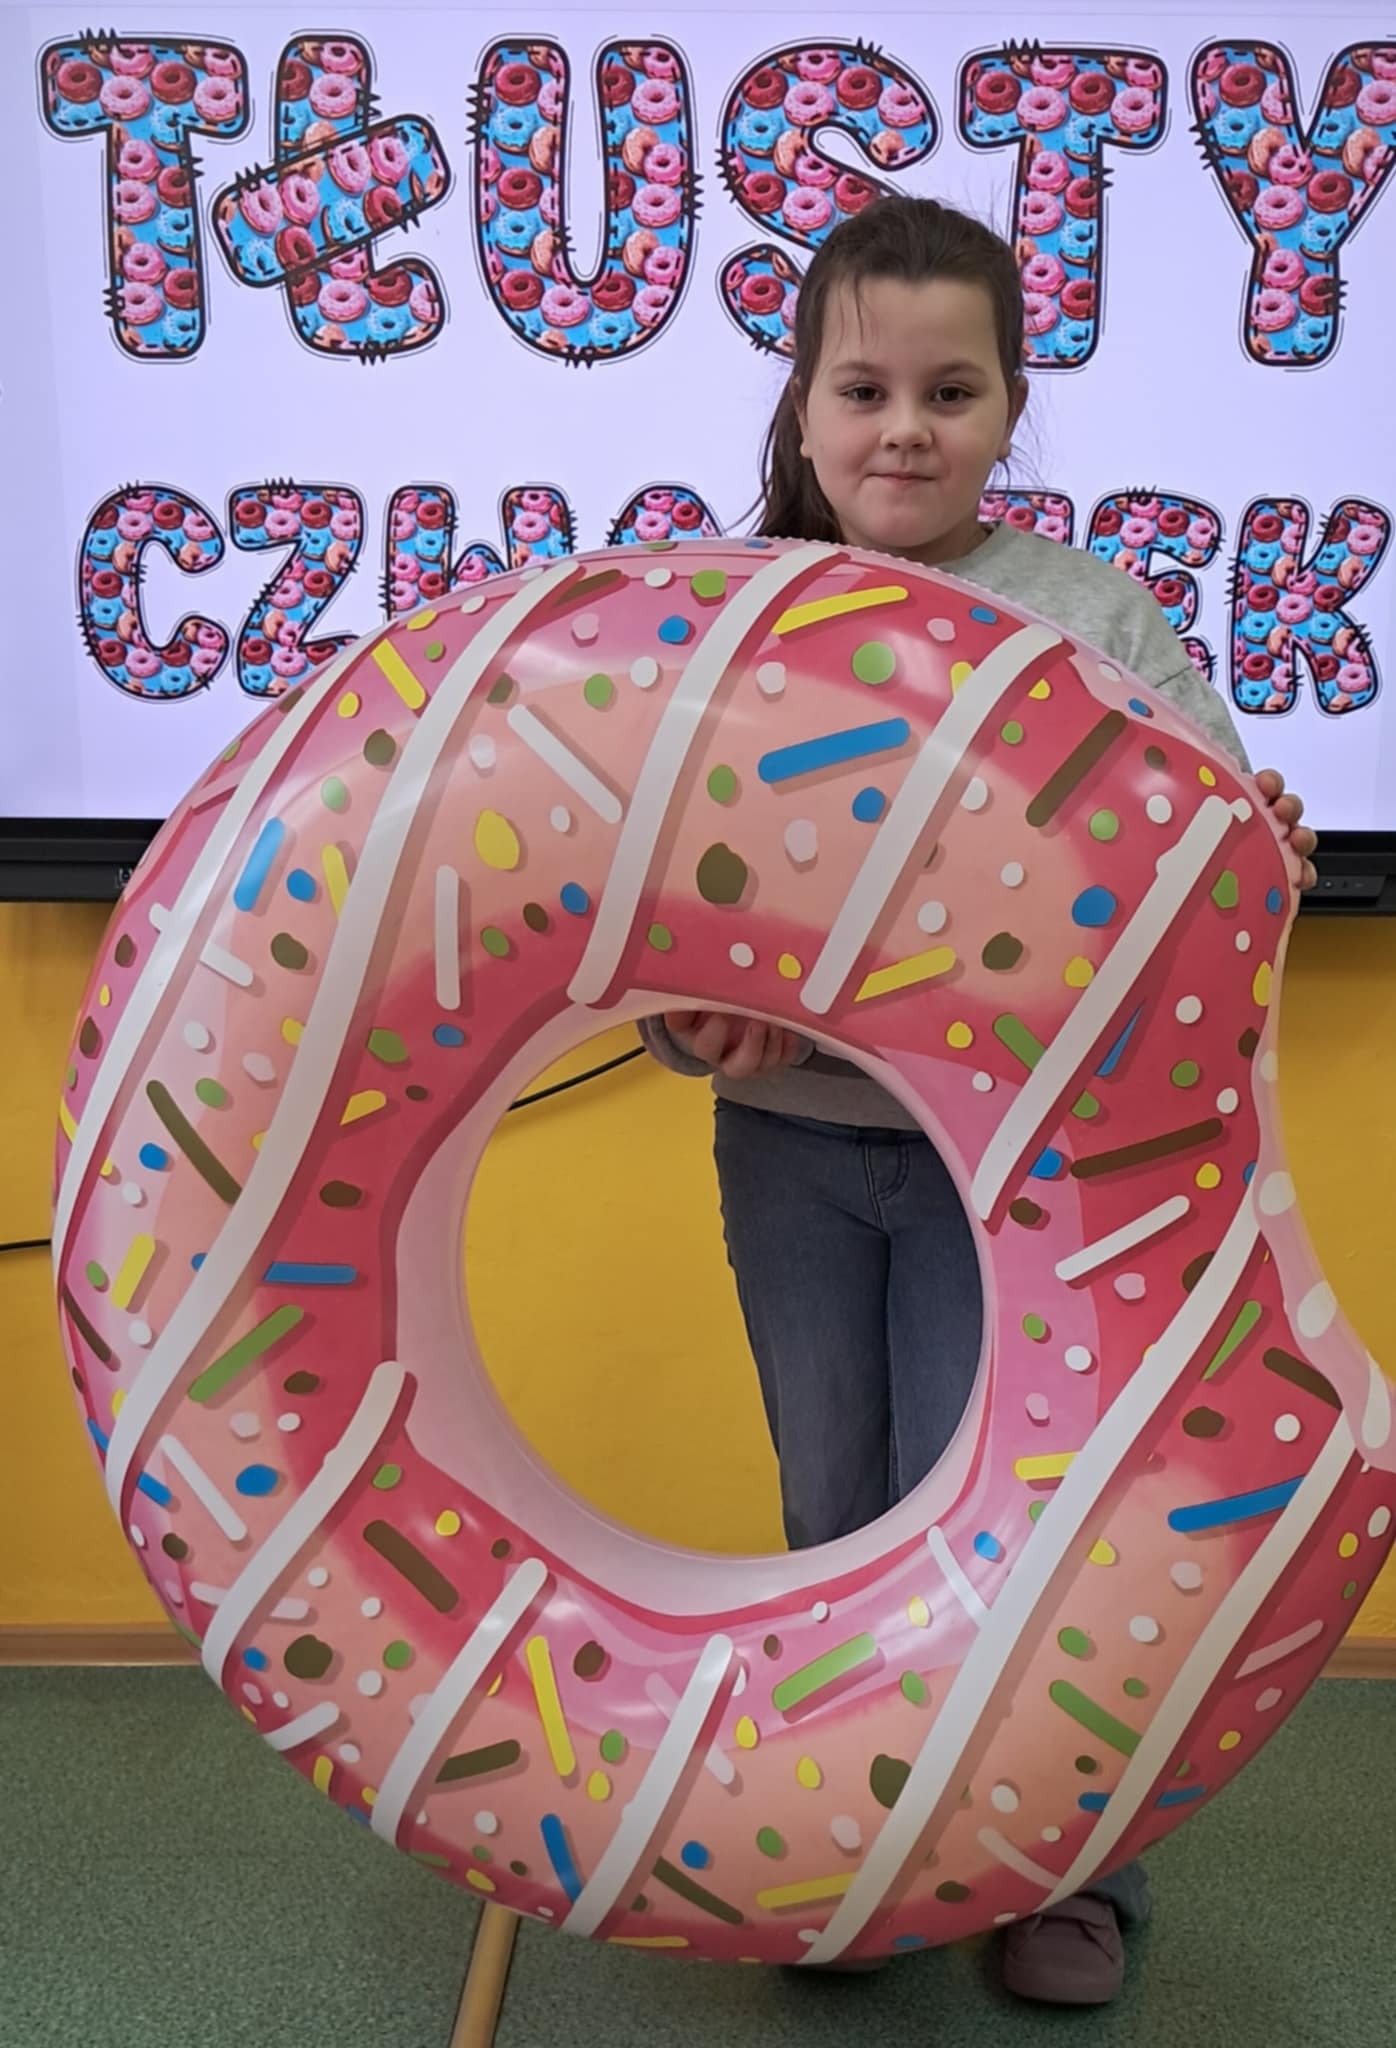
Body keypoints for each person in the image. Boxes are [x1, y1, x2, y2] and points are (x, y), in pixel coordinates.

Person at [640, 196, 1319, 2006]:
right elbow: (646, 912)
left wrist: (1262, 849)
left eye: (952, 393)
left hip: (1020, 1183)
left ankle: (1067, 1873)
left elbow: (1210, 872)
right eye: (864, 391)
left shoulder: (1091, 618)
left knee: (1032, 1527)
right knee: (838, 1508)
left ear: (1013, 407)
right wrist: (701, 1035)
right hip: (797, 1154)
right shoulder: (727, 619)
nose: (905, 431)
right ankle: (865, 1858)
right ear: (802, 407)